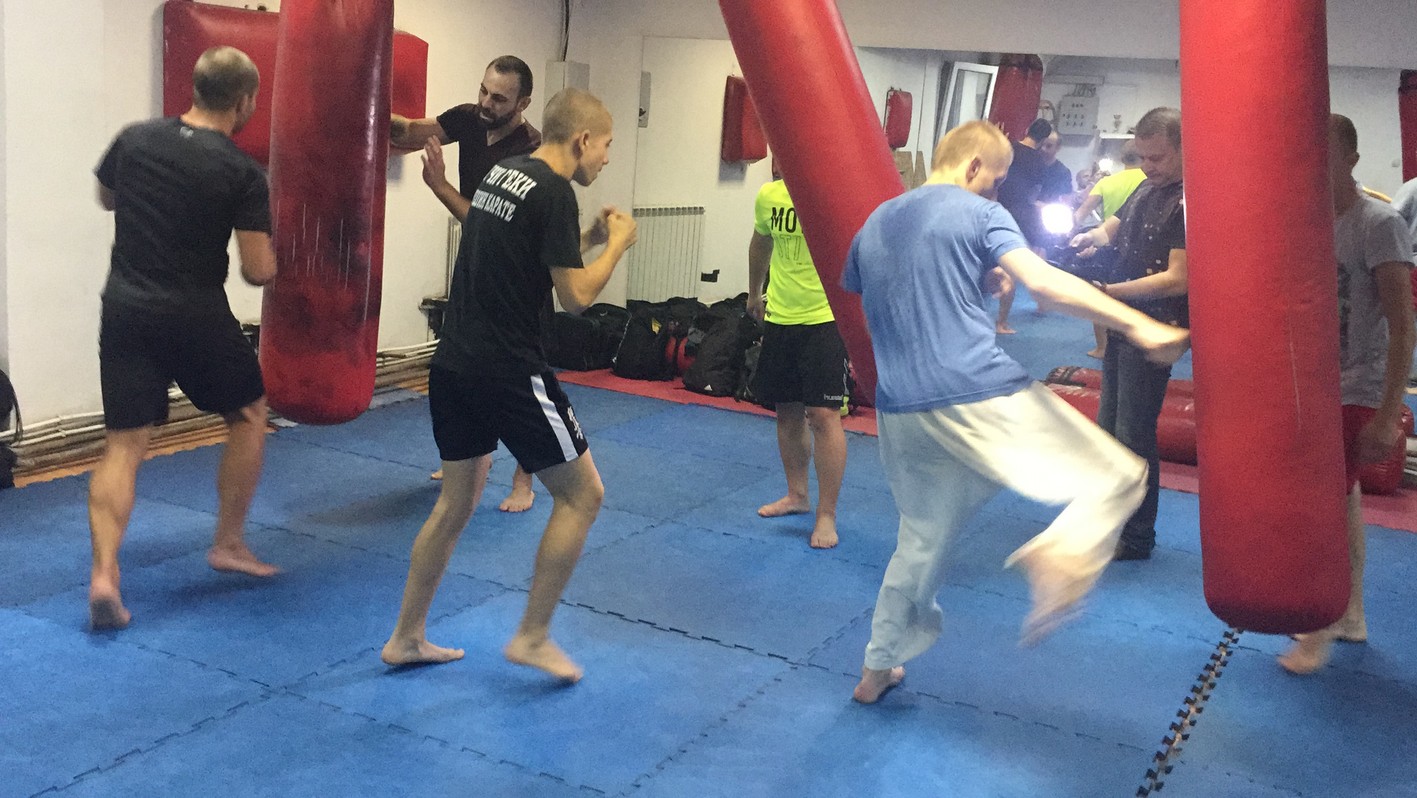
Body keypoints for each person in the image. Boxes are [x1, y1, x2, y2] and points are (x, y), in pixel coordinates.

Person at [843, 120, 1190, 703]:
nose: (996, 190)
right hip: (975, 389)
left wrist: (977, 279)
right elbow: (1045, 287)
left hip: (901, 409)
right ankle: (1061, 553)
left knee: (920, 544)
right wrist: (1139, 325)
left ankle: (877, 667)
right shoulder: (981, 213)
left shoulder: (875, 221)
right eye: (997, 179)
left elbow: (892, 290)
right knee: (1121, 475)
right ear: (974, 166)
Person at [382, 88, 637, 682]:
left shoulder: (508, 173)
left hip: (455, 363)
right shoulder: (555, 191)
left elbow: (531, 256)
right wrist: (619, 246)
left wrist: (589, 241)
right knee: (584, 496)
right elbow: (576, 298)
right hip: (509, 371)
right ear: (582, 140)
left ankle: (406, 637)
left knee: (454, 503)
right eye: (606, 146)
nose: (606, 159)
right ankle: (532, 637)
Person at [88, 46, 279, 630]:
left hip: (126, 307)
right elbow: (257, 271)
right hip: (195, 314)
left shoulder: (135, 138)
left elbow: (107, 197)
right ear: (244, 101)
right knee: (248, 413)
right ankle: (229, 542)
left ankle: (104, 573)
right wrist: (284, 258)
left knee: (124, 446)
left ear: (194, 89)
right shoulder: (242, 171)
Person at [1279, 115, 1415, 675]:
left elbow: (1403, 325)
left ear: (1352, 160)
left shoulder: (1378, 223)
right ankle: (1351, 614)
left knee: (1321, 507)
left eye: (1326, 155)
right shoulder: (1305, 221)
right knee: (1341, 500)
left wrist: (1388, 414)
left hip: (1357, 385)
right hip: (1314, 382)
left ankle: (1319, 629)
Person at [391, 55, 542, 512]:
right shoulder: (469, 119)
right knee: (456, 364)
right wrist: (363, 104)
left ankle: (524, 481)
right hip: (475, 264)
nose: (486, 103)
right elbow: (408, 131)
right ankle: (467, 460)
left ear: (523, 103)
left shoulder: (529, 150)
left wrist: (440, 186)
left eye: (499, 98)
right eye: (483, 91)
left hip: (519, 277)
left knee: (523, 378)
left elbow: (490, 223)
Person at [1069, 108, 1188, 561]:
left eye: (1158, 157)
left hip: (1154, 328)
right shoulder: (1146, 186)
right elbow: (1114, 226)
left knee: (1134, 434)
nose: (1148, 166)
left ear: (1184, 149)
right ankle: (1112, 521)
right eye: (1142, 157)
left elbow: (1178, 279)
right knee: (1109, 428)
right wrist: (1090, 239)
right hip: (1125, 319)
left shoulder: (1189, 201)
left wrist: (1109, 292)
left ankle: (1136, 535)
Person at [747, 174, 850, 549]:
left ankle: (826, 514)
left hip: (825, 318)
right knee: (787, 411)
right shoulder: (769, 196)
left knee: (823, 415)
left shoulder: (831, 190)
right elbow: (760, 243)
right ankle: (797, 495)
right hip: (781, 316)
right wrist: (754, 292)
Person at [1074, 142, 1148, 359]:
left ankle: (1101, 347)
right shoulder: (1149, 181)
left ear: (1122, 158)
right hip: (1143, 247)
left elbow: (1080, 213)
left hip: (1108, 244)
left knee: (1101, 295)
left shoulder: (1106, 182)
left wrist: (1078, 235)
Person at [994, 118, 1057, 334]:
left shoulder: (1008, 149)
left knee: (1004, 266)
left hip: (1000, 210)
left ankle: (1001, 322)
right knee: (1037, 257)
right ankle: (1041, 304)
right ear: (1044, 139)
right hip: (1024, 213)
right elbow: (1033, 195)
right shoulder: (1039, 162)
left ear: (1028, 130)